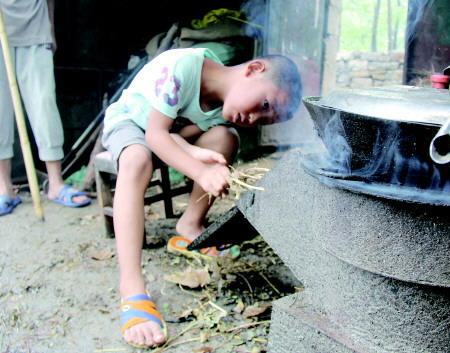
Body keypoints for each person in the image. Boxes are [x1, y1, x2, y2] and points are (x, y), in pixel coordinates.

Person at [101, 47, 301, 348]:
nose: (254, 118)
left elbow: (176, 137)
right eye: (264, 103)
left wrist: (195, 151)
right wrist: (200, 170)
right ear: (254, 68)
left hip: (166, 135)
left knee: (225, 138)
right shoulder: (185, 67)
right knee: (137, 160)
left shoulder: (217, 108)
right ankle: (132, 288)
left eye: (264, 120)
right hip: (131, 124)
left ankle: (189, 226)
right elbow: (155, 134)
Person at [0, 0, 91, 216]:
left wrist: (50, 30)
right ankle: (5, 188)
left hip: (35, 30)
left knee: (44, 105)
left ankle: (55, 184)